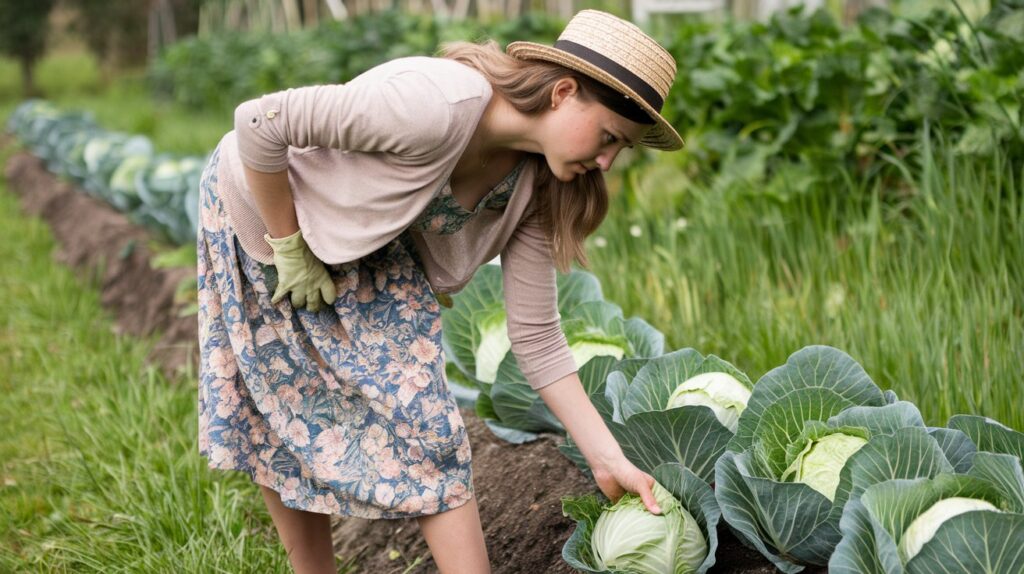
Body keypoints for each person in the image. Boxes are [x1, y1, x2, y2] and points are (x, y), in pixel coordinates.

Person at [196, 9, 684, 574]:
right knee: (292, 405)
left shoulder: (536, 183)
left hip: (359, 245)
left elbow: (537, 336)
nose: (605, 161)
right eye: (607, 138)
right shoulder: (437, 106)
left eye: (618, 150)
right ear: (564, 92)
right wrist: (287, 244)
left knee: (428, 428)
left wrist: (608, 458)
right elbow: (259, 122)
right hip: (262, 206)